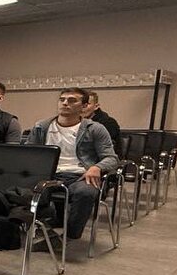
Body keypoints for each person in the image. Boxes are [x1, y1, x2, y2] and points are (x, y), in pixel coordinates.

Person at [26, 87, 120, 241]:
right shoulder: (42, 126)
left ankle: (69, 236)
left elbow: (111, 158)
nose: (65, 103)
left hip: (79, 176)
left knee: (86, 193)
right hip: (48, 175)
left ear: (84, 106)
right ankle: (42, 227)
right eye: (62, 99)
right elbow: (29, 153)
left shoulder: (95, 129)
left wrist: (97, 167)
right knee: (22, 188)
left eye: (72, 100)